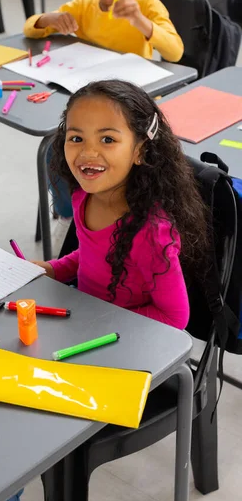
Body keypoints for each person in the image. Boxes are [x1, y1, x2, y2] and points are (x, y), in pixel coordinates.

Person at [24, 0, 184, 246]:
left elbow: (176, 51)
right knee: (53, 152)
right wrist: (48, 19)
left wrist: (140, 22)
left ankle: (110, 221)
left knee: (112, 158)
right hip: (92, 109)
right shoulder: (83, 7)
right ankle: (72, 219)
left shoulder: (146, 4)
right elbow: (30, 28)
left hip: (133, 111)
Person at [32, 80, 208, 329]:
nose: (88, 152)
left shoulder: (150, 232)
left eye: (107, 139)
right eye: (76, 137)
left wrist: (105, 320)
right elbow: (95, 255)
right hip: (86, 318)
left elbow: (174, 318)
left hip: (121, 338)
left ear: (140, 151)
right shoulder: (84, 195)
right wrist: (54, 269)